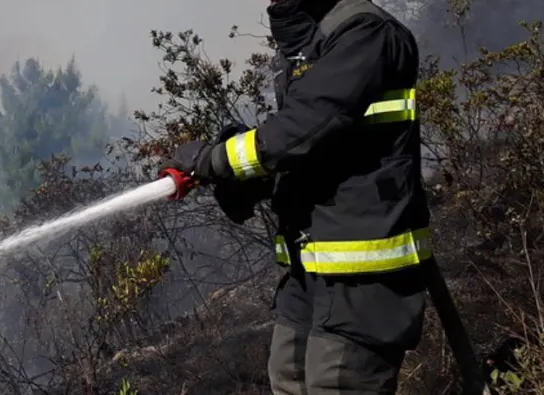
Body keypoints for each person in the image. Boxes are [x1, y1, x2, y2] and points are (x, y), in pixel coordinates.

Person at [158, 0, 429, 393]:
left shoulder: (366, 33)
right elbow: (317, 148)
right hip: (311, 267)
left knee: (336, 385)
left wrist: (215, 160)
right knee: (289, 376)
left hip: (363, 273)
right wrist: (249, 182)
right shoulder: (310, 43)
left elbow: (303, 128)